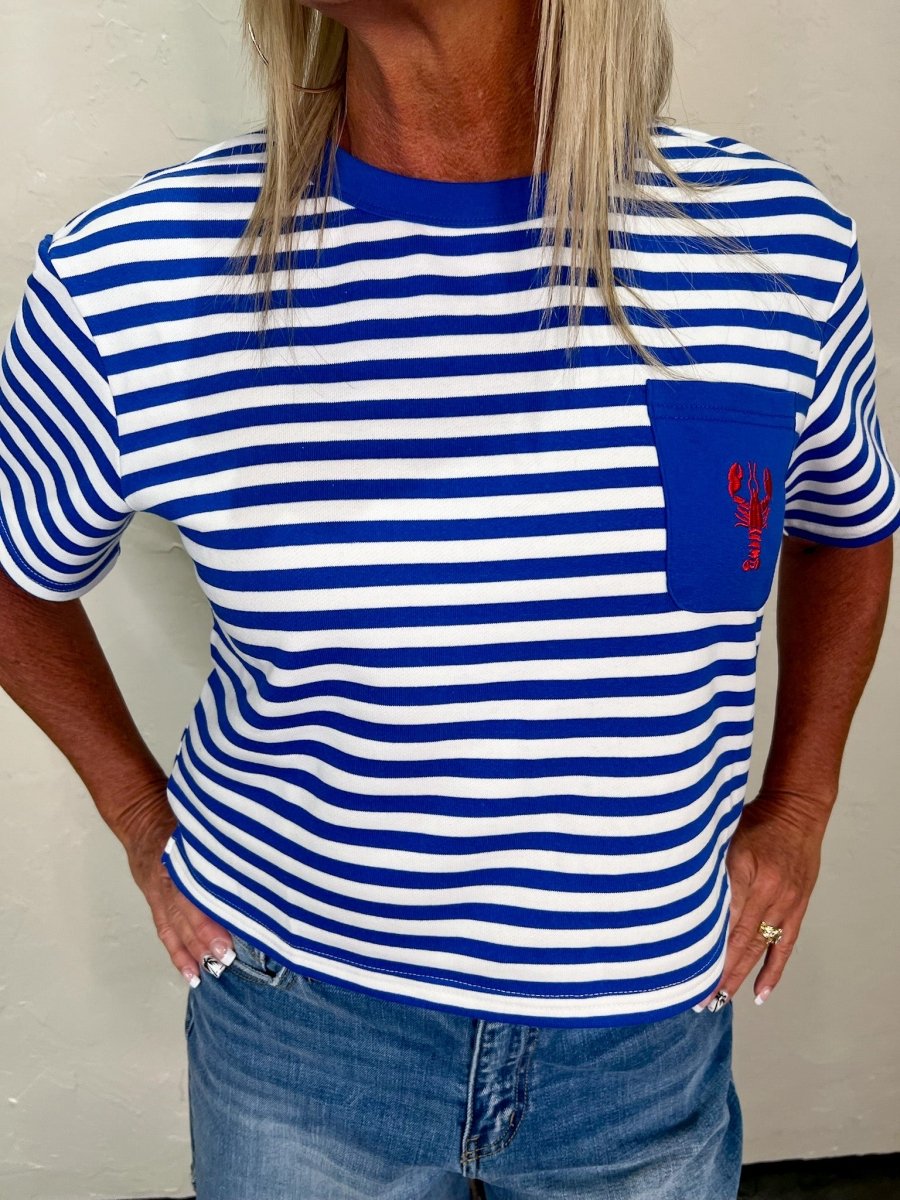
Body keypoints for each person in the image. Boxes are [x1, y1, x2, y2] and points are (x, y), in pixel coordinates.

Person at [1, 1, 897, 1197]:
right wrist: (134, 814)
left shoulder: (770, 251)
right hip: (300, 1028)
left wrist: (800, 803)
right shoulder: (134, 279)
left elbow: (846, 524)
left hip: (641, 1047)